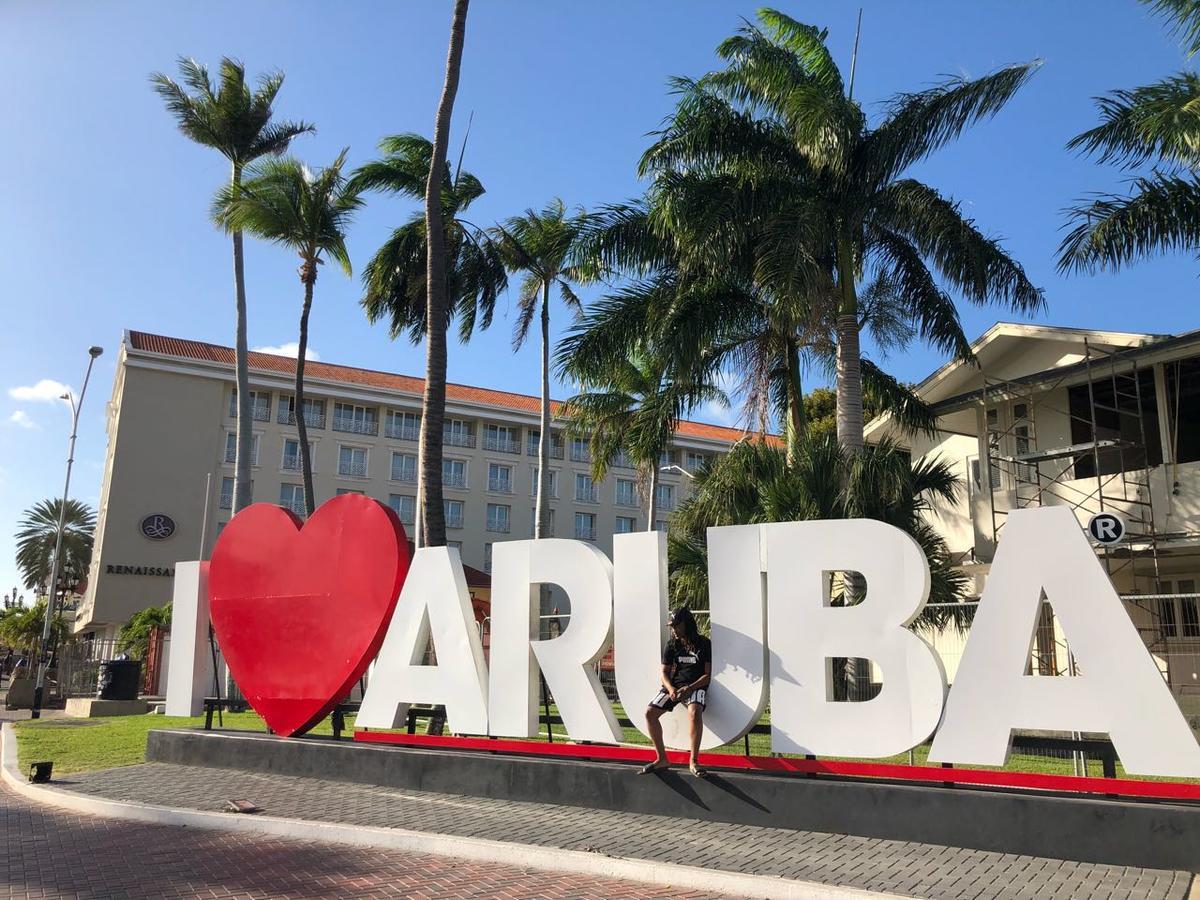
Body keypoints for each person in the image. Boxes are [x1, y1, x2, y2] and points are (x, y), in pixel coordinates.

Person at [639, 606, 712, 778]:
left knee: (694, 712)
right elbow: (664, 673)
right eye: (671, 626)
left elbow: (707, 676)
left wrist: (690, 688)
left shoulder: (704, 643)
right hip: (674, 687)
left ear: (687, 624)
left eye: (676, 626)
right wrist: (671, 689)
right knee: (650, 713)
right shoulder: (672, 644)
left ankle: (694, 761)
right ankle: (662, 759)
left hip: (695, 686)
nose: (674, 630)